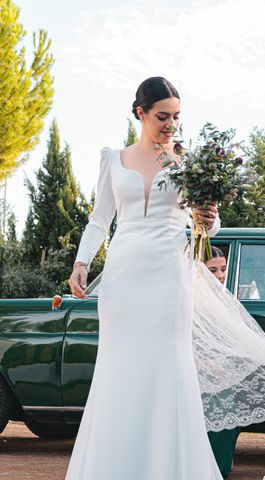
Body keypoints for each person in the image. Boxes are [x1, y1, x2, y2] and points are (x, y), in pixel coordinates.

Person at [67, 77, 223, 480]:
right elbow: (100, 220)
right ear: (140, 113)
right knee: (120, 368)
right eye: (162, 116)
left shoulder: (189, 163)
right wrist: (82, 263)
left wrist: (210, 219)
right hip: (123, 277)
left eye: (176, 117)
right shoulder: (113, 160)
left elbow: (210, 223)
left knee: (167, 365)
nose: (171, 124)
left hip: (170, 275)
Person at [203, 247, 241, 479]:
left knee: (231, 415)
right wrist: (208, 366)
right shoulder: (192, 299)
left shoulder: (226, 299)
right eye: (213, 270)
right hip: (200, 373)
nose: (220, 275)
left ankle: (220, 468)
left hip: (223, 374)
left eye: (224, 269)